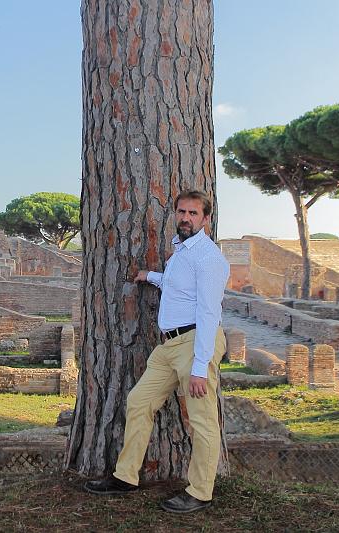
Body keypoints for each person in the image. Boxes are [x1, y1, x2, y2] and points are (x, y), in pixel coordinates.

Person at [83, 190, 230, 514]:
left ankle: (200, 492)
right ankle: (125, 477)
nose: (186, 218)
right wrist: (150, 276)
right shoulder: (181, 252)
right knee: (139, 402)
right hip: (169, 347)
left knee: (203, 422)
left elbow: (208, 312)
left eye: (193, 214)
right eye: (181, 212)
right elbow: (179, 287)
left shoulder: (209, 258)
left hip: (195, 345)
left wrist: (199, 367)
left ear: (206, 219)